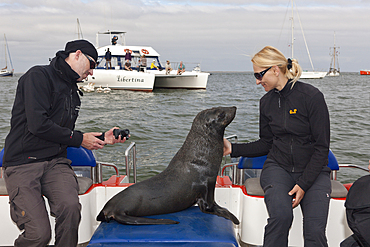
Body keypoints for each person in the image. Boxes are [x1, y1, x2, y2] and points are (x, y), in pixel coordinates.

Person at [2, 39, 127, 247]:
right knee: (39, 234)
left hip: (56, 162)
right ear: (76, 54)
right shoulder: (38, 76)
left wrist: (102, 138)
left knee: (70, 209)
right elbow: (38, 125)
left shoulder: (72, 90)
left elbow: (63, 133)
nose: (92, 72)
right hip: (23, 162)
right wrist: (80, 139)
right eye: (92, 64)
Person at [223, 46, 331, 247]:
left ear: (274, 69)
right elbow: (266, 143)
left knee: (315, 231)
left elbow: (321, 148)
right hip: (278, 169)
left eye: (259, 75)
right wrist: (232, 149)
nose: (257, 81)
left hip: (313, 172)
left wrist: (303, 184)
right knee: (281, 218)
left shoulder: (312, 97)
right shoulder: (266, 102)